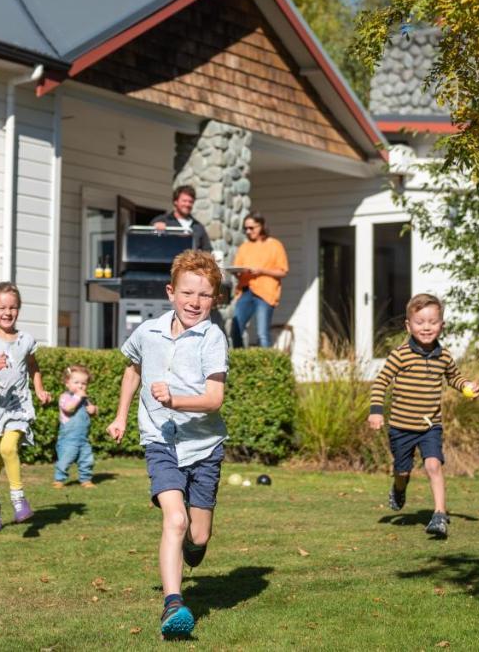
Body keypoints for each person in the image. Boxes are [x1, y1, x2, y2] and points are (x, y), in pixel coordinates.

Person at [107, 249, 228, 639]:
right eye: (188, 293)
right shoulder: (148, 331)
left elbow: (214, 399)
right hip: (160, 439)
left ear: (215, 299)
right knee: (175, 520)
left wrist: (176, 399)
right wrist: (122, 415)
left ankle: (193, 550)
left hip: (204, 445)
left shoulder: (213, 338)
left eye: (204, 295)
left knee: (198, 535)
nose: (195, 302)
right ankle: (173, 604)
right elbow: (133, 369)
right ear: (171, 292)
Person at [367, 293, 479, 538]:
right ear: (409, 326)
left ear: (442, 325)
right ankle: (399, 489)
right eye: (420, 322)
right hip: (401, 427)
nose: (426, 327)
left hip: (431, 425)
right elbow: (380, 383)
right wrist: (376, 411)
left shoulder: (444, 356)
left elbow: (454, 378)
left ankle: (439, 514)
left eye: (432, 322)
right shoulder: (400, 355)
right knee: (402, 472)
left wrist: (466, 387)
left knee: (433, 465)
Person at [0, 281, 52, 532]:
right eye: (2, 308)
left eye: (13, 307)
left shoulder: (26, 339)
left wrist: (39, 389)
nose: (8, 312)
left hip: (18, 407)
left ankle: (19, 501)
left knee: (8, 448)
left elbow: (33, 366)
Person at [231, 212, 288, 347]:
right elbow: (238, 268)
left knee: (262, 334)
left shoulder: (275, 245)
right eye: (246, 228)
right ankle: (240, 363)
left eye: (252, 228)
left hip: (265, 293)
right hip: (246, 291)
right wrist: (237, 272)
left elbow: (283, 271)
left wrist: (261, 271)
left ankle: (265, 367)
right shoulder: (244, 247)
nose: (248, 231)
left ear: (261, 226)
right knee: (236, 329)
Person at [53, 364, 98, 488]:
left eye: (83, 383)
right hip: (68, 439)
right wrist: (79, 396)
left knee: (87, 459)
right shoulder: (65, 397)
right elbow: (68, 409)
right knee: (65, 459)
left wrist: (94, 410)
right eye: (76, 382)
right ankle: (59, 479)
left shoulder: (85, 399)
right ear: (67, 383)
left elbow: (91, 412)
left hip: (83, 438)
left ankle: (86, 479)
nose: (80, 386)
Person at [151, 185, 213, 252]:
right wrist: (156, 231)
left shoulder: (198, 227)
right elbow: (150, 244)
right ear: (176, 201)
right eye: (184, 201)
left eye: (190, 202)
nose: (187, 204)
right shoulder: (162, 220)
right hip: (168, 261)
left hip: (191, 262)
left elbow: (207, 250)